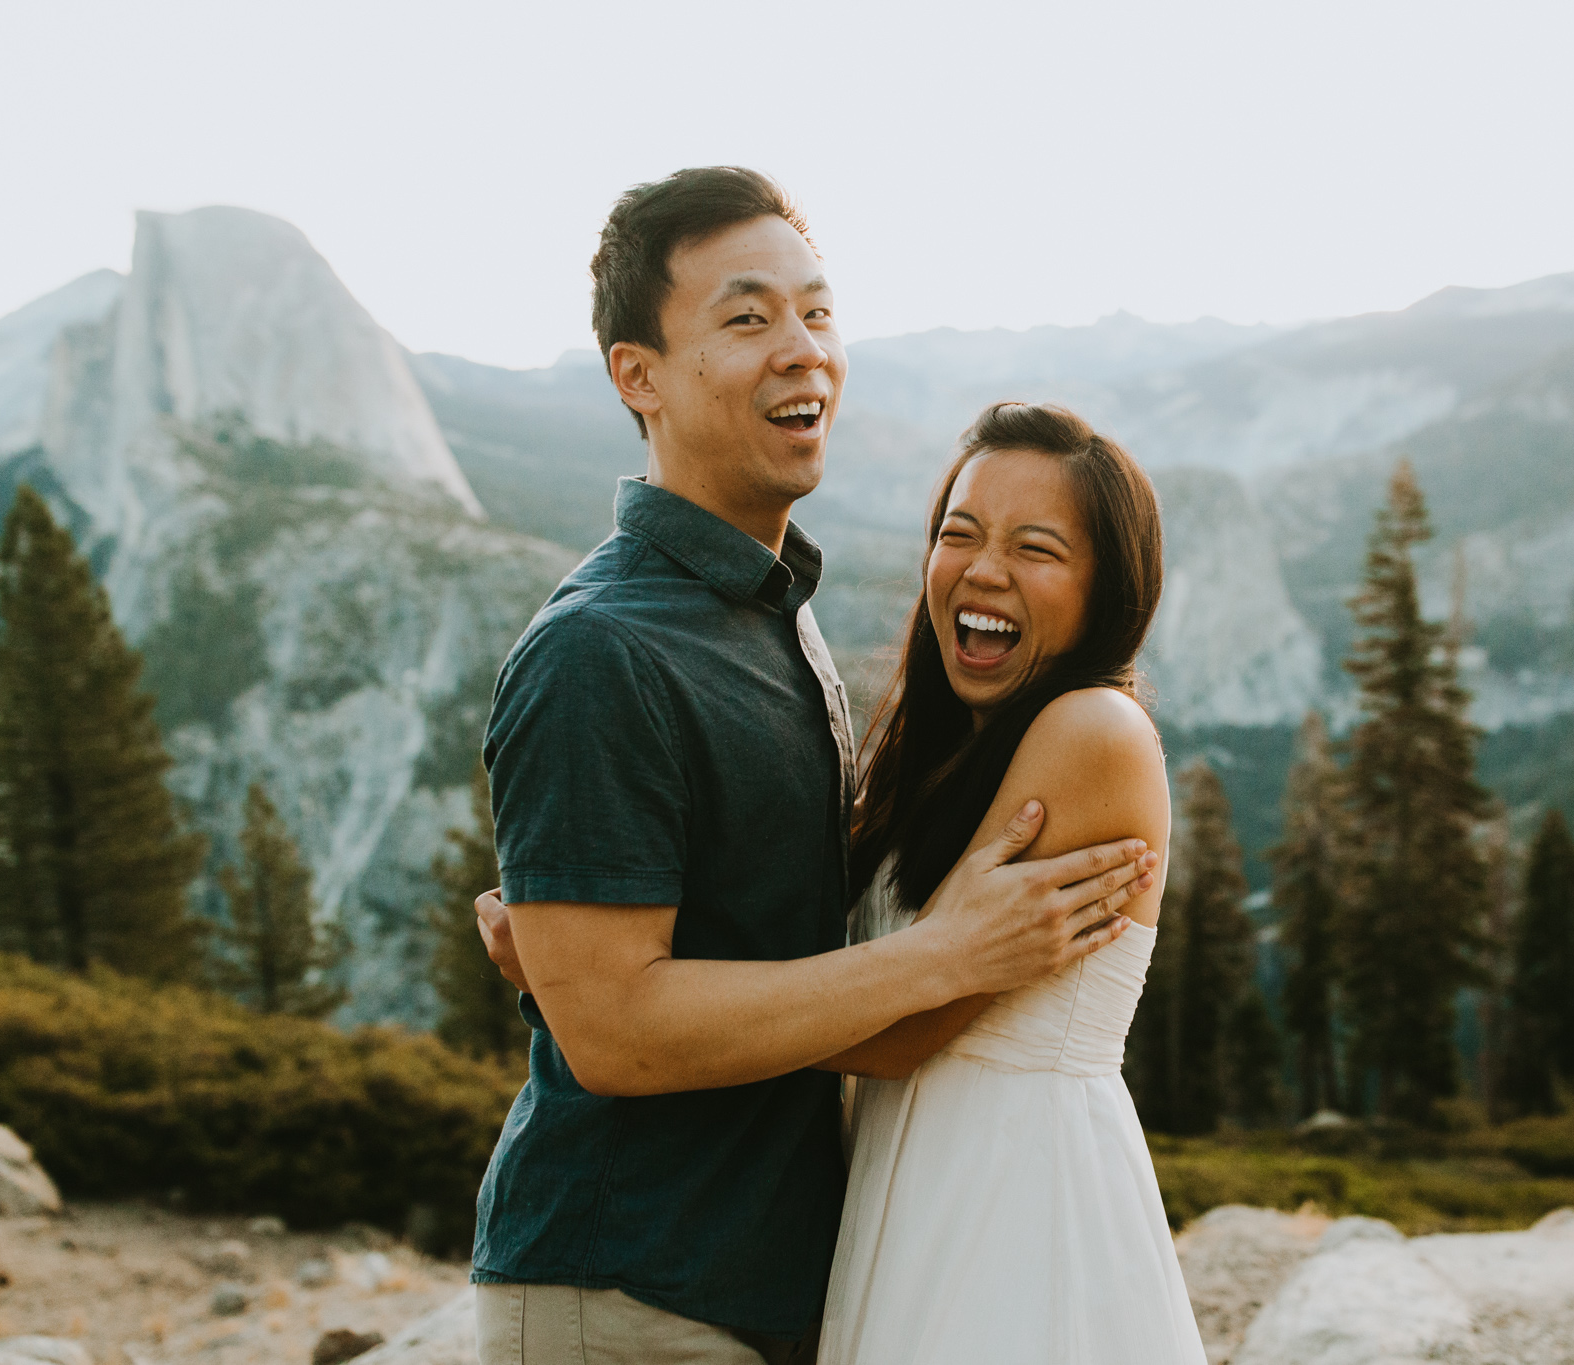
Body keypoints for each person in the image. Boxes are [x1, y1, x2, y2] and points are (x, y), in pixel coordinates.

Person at [468, 167, 1157, 1365]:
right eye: (747, 318)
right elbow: (623, 1040)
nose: (802, 349)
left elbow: (782, 977)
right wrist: (601, 1001)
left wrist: (588, 983)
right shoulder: (600, 649)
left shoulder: (771, 620)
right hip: (630, 1288)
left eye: (817, 312)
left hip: (795, 1275)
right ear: (637, 376)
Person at [815, 402, 1207, 1364]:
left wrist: (636, 993)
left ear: (1106, 593)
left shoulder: (1093, 733)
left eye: (1035, 548)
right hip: (920, 1185)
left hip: (1014, 1212)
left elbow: (904, 1029)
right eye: (960, 533)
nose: (983, 569)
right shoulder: (954, 746)